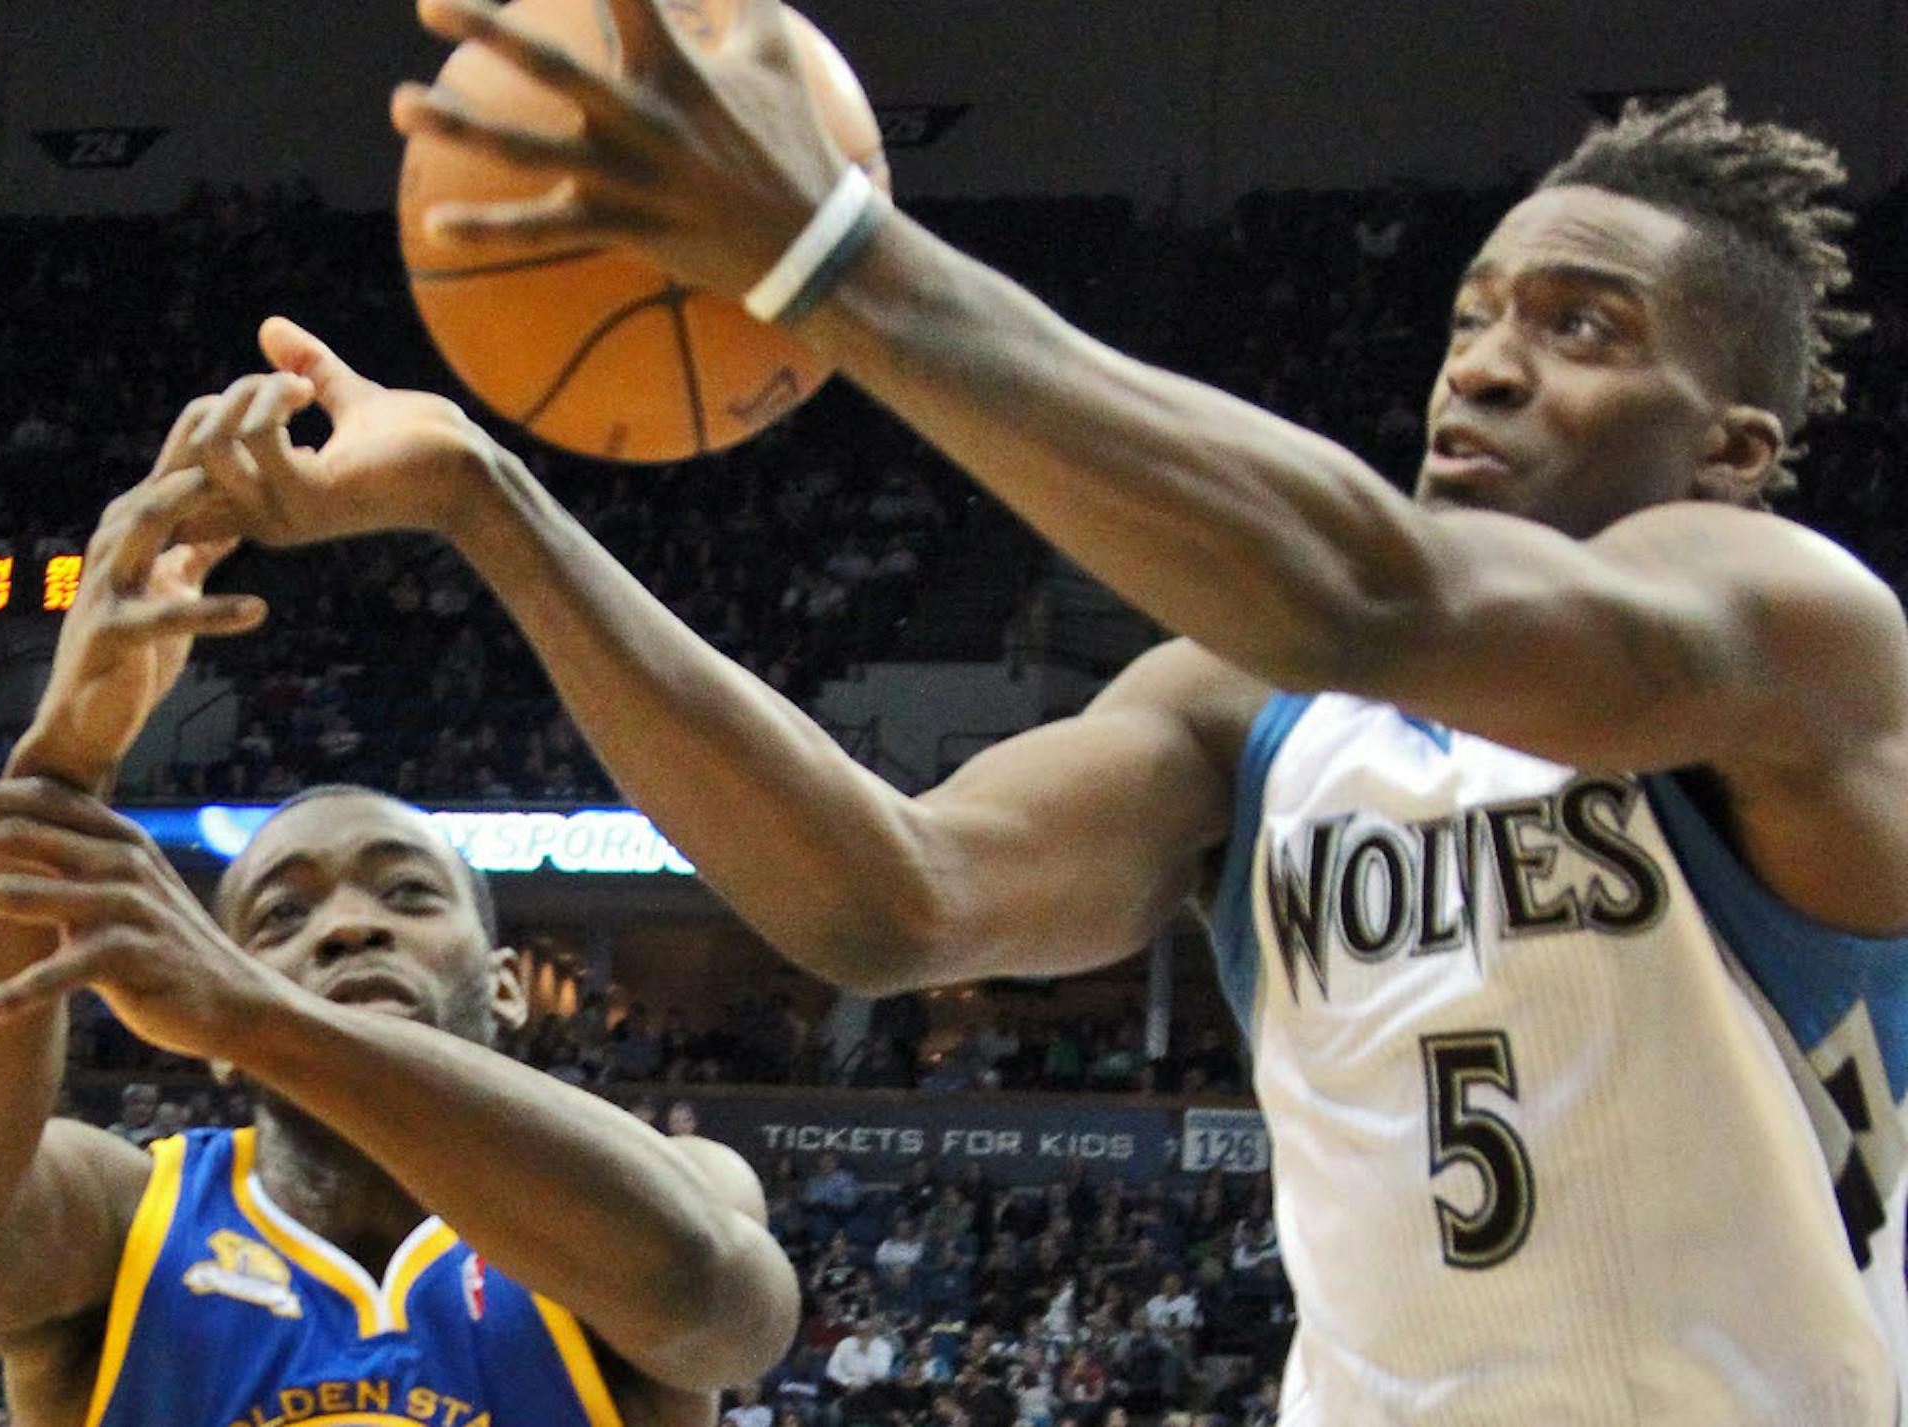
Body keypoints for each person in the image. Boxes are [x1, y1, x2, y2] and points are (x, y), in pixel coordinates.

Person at [165, 42, 1908, 1419]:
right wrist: (494, 507)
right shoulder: (1250, 709)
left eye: (1582, 328)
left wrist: (833, 256)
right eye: (1474, 319)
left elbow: (1373, 594)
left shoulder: (1795, 638)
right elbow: (890, 899)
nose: (1488, 367)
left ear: (1736, 447)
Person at [0, 404, 799, 1427]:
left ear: (512, 981)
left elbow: (721, 1307)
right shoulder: (129, 1223)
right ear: (199, 1029)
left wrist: (267, 1014)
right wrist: (62, 757)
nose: (348, 927)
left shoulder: (664, 1190)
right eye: (281, 914)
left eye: (407, 891)